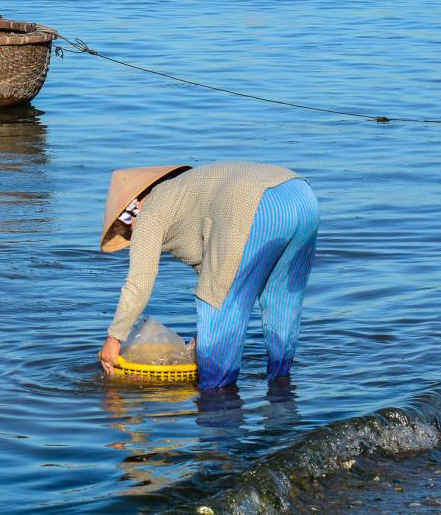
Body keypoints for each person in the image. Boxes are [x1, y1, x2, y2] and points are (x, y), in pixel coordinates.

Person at [97, 163, 318, 390]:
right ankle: (283, 405)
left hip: (256, 206)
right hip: (302, 196)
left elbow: (139, 283)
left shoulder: (150, 211)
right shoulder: (184, 192)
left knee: (220, 332)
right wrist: (200, 337)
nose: (130, 230)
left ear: (133, 207)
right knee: (281, 302)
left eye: (125, 224)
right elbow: (214, 267)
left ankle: (219, 413)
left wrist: (114, 339)